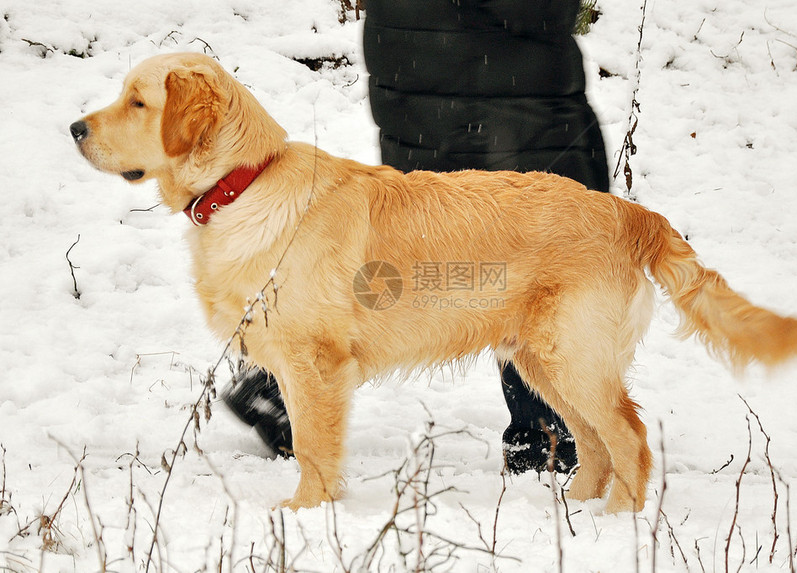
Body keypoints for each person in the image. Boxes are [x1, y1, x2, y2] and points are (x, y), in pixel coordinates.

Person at [224, 0, 610, 474]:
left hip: (416, 93)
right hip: (505, 110)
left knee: (417, 266)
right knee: (530, 275)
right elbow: (529, 12)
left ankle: (274, 379)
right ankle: (546, 436)